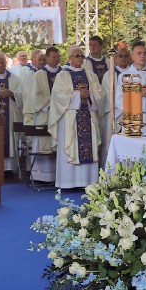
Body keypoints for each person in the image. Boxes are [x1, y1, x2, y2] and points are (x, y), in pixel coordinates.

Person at [48, 45, 104, 188]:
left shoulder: (91, 75)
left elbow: (100, 94)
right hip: (70, 119)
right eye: (77, 56)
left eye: (82, 56)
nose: (80, 59)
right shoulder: (63, 75)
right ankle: (68, 183)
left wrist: (90, 95)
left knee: (89, 147)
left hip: (88, 117)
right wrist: (78, 95)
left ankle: (88, 182)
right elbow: (58, 96)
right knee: (71, 146)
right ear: (70, 58)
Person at [23, 47, 61, 179]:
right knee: (44, 142)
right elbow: (34, 97)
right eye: (53, 57)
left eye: (58, 57)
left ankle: (59, 176)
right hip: (44, 114)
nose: (56, 59)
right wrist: (51, 102)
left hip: (61, 115)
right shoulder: (39, 74)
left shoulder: (64, 73)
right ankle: (41, 176)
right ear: (47, 58)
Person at [98, 47, 131, 166]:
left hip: (131, 116)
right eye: (120, 56)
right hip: (114, 114)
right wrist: (118, 109)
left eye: (125, 56)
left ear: (130, 58)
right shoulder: (110, 74)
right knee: (110, 145)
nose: (123, 58)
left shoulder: (133, 73)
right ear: (115, 58)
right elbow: (107, 96)